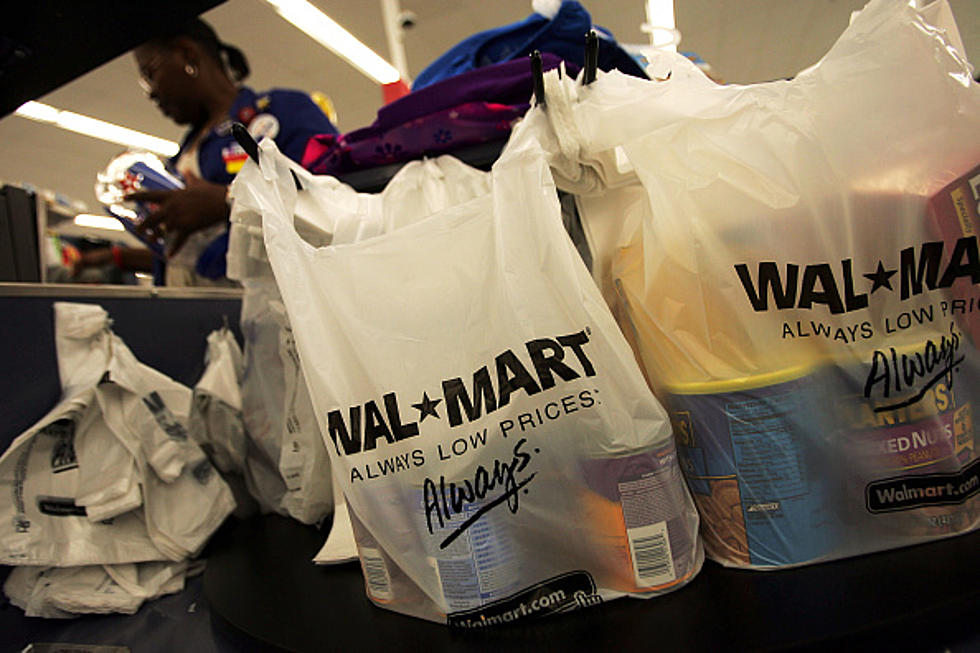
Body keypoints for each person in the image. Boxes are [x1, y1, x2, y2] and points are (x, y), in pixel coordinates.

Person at [126, 18, 339, 286]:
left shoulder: (285, 112)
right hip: (189, 315)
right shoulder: (182, 155)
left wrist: (228, 201)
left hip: (270, 311)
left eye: (149, 74)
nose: (152, 93)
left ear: (187, 55)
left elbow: (335, 199)